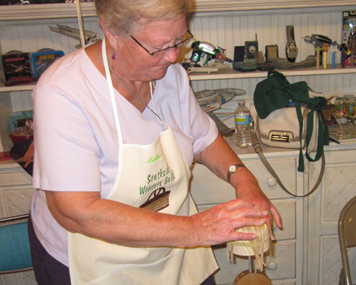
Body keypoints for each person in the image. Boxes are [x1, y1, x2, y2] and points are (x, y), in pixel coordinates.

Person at [29, 0, 282, 284]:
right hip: (94, 258)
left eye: (179, 40)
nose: (173, 56)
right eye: (159, 47)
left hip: (173, 244)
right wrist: (196, 230)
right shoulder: (64, 92)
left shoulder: (170, 76)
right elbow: (76, 212)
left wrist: (244, 180)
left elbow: (203, 138)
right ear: (111, 31)